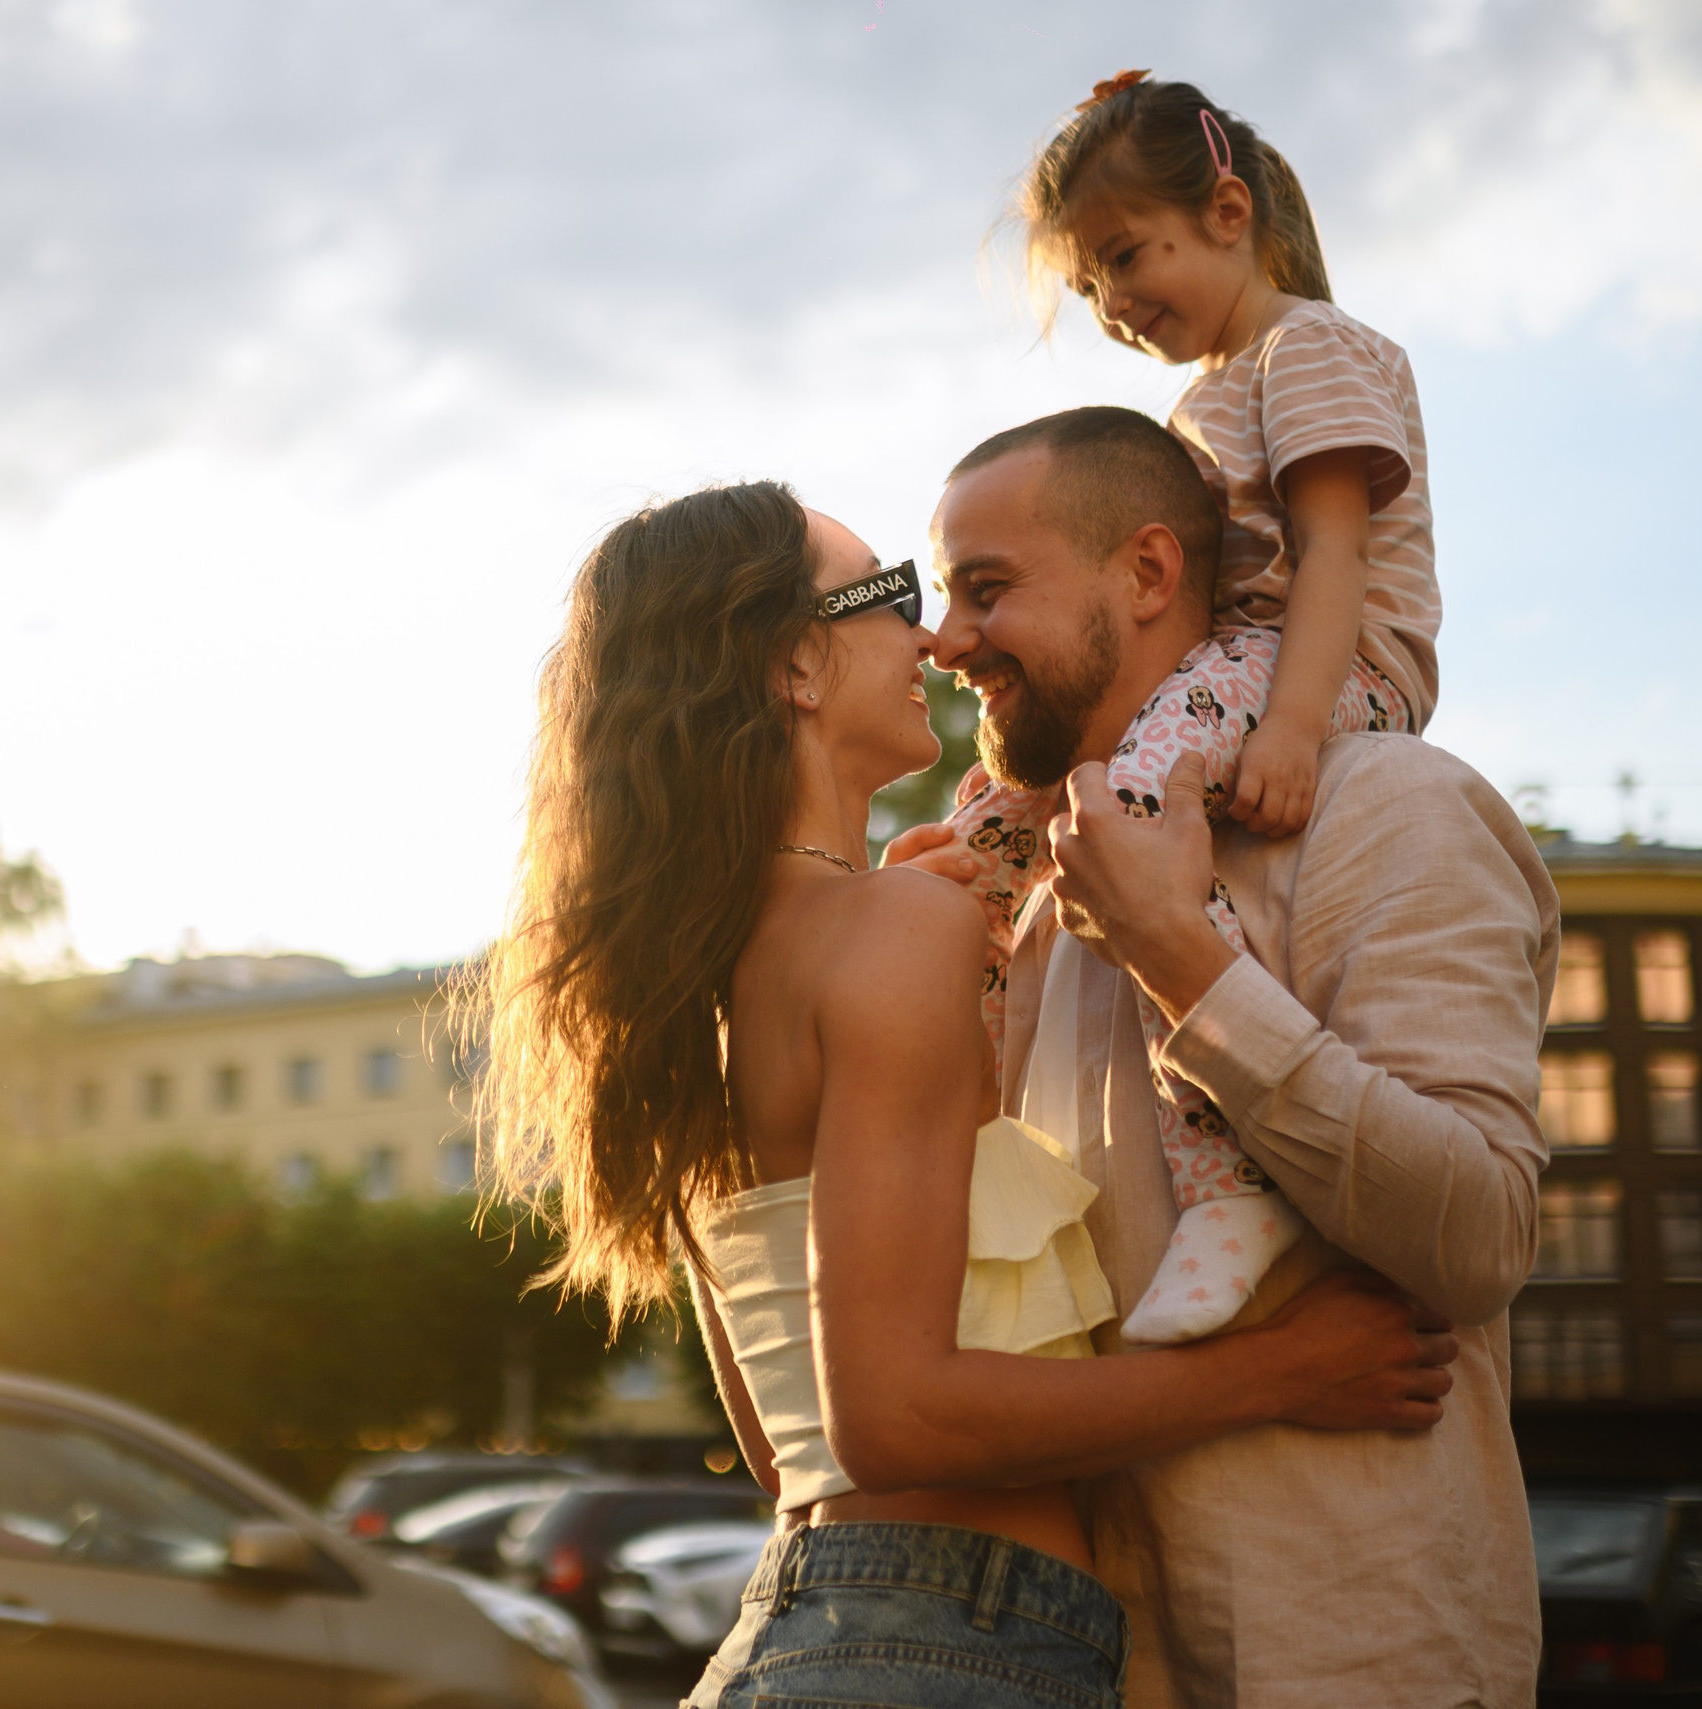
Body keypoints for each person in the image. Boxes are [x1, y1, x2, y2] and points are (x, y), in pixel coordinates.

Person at [468, 480, 1461, 1708]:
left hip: (809, 1622)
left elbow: (790, 1435)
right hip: (944, 1644)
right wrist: (1283, 1372)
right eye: (889, 594)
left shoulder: (712, 982)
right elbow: (891, 1417)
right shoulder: (888, 933)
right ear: (793, 664)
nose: (932, 639)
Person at [922, 412, 1554, 1707]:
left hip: (1360, 1661)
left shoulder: (1390, 806)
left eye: (987, 591)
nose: (946, 643)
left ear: (1149, 575)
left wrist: (1180, 957)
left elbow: (1483, 1236)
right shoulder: (1036, 905)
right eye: (943, 600)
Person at [942, 73, 1441, 1345]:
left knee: (1135, 798)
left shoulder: (1312, 349)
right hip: (1232, 674)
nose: (1112, 302)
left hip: (1322, 665)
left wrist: (1291, 722)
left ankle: (1233, 1178)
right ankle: (981, 1113)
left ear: (1227, 211)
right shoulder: (1205, 393)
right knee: (1002, 813)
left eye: (1123, 255)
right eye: (1090, 283)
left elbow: (1330, 552)